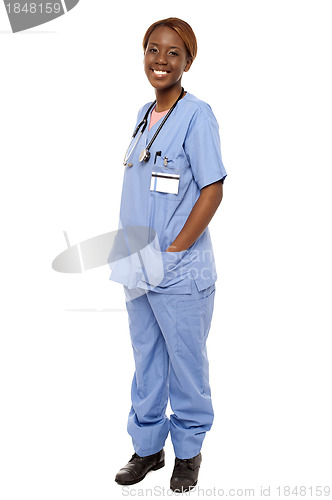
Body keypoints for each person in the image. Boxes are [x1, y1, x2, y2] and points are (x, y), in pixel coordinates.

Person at [110, 17, 227, 492]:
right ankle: (147, 448)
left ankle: (189, 453)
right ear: (144, 55)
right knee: (146, 359)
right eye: (153, 50)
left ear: (188, 62)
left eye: (173, 53)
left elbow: (212, 189)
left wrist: (177, 250)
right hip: (136, 260)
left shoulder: (198, 115)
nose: (161, 60)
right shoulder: (144, 113)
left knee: (186, 362)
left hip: (180, 268)